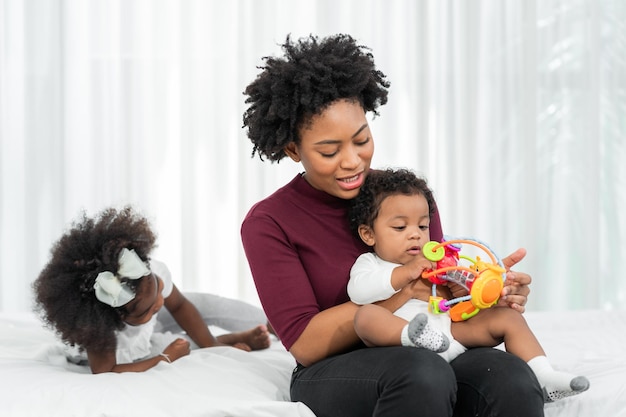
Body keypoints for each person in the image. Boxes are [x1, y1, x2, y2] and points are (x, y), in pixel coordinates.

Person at [241, 33, 546, 417]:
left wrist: (484, 292)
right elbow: (306, 343)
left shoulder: (407, 197)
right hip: (333, 368)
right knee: (421, 372)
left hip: (432, 344)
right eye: (329, 151)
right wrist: (402, 291)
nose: (352, 161)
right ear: (292, 149)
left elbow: (439, 293)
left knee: (508, 374)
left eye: (362, 140)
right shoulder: (270, 222)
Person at [347, 167, 590, 402]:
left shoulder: (440, 259)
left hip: (451, 337)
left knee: (508, 317)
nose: (416, 234)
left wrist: (480, 284)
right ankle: (415, 337)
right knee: (365, 317)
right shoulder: (370, 263)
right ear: (369, 234)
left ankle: (543, 375)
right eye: (400, 227)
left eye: (422, 226)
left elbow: (462, 297)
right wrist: (406, 274)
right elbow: (359, 291)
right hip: (401, 349)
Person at [33, 206, 271, 374]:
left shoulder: (150, 276)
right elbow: (107, 370)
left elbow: (178, 305)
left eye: (158, 289)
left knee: (204, 304)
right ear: (117, 316)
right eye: (147, 309)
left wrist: (210, 344)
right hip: (121, 342)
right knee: (169, 344)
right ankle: (232, 338)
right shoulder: (100, 331)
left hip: (138, 324)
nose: (159, 302)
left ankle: (273, 324)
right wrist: (164, 358)